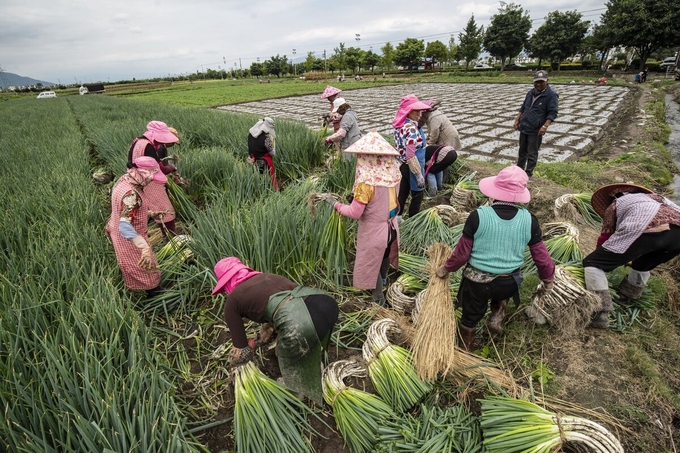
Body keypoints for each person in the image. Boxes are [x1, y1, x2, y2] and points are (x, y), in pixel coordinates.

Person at [436, 166, 555, 351]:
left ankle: (466, 349)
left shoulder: (478, 216)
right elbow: (541, 256)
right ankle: (497, 314)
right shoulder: (529, 220)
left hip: (477, 283)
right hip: (509, 282)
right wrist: (548, 279)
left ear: (495, 191)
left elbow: (462, 254)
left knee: (471, 316)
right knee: (502, 290)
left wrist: (446, 269)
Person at [211, 257, 339, 404]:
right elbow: (287, 307)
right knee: (298, 335)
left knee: (284, 349)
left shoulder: (232, 301)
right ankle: (315, 364)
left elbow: (242, 353)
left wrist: (234, 362)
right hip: (326, 303)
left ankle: (297, 390)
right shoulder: (266, 277)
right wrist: (258, 341)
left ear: (226, 283)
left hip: (302, 322)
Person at [583, 183, 680, 328]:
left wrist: (601, 257)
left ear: (615, 195)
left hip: (648, 229)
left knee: (592, 263)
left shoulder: (616, 203)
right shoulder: (656, 199)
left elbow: (605, 236)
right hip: (677, 238)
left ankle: (599, 312)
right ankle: (628, 296)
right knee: (642, 263)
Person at [326, 131, 402, 305]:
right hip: (391, 227)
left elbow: (355, 213)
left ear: (366, 157)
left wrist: (335, 205)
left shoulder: (366, 183)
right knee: (383, 256)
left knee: (371, 264)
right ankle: (383, 281)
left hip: (374, 231)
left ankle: (379, 300)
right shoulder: (393, 173)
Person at [106, 156, 168, 296]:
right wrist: (144, 247)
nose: (152, 180)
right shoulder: (132, 194)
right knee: (146, 267)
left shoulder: (125, 180)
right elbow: (124, 226)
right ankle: (153, 294)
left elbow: (128, 209)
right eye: (151, 177)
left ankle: (148, 290)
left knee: (139, 265)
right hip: (128, 236)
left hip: (117, 228)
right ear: (142, 175)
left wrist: (150, 213)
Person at [127, 121, 181, 236]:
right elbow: (161, 169)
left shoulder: (137, 141)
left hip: (136, 179)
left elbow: (129, 163)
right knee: (166, 211)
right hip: (149, 181)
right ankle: (171, 238)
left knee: (155, 209)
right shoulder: (149, 147)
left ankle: (166, 235)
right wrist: (172, 167)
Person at [513, 70, 559, 177]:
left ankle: (528, 174)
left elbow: (553, 113)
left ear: (547, 81)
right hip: (524, 126)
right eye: (536, 82)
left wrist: (545, 126)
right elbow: (523, 107)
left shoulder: (551, 95)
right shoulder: (531, 92)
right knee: (522, 151)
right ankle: (518, 171)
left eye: (541, 82)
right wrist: (517, 119)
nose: (538, 84)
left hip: (535, 129)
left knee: (532, 153)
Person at [392, 94, 430, 219]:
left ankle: (398, 217)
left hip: (402, 165)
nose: (419, 114)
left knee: (402, 193)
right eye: (416, 111)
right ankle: (414, 219)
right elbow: (410, 154)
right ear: (408, 112)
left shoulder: (400, 125)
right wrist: (418, 174)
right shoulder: (411, 128)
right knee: (417, 194)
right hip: (413, 165)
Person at [418, 99, 461, 196]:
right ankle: (441, 186)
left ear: (425, 112)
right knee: (439, 167)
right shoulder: (434, 114)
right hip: (449, 151)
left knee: (432, 171)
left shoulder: (434, 117)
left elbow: (434, 132)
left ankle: (433, 193)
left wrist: (429, 143)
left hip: (447, 139)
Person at [247, 117, 279, 190]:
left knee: (258, 178)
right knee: (268, 179)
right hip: (264, 162)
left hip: (253, 160)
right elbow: (272, 153)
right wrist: (272, 142)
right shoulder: (266, 140)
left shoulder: (250, 135)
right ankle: (274, 191)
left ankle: (260, 190)